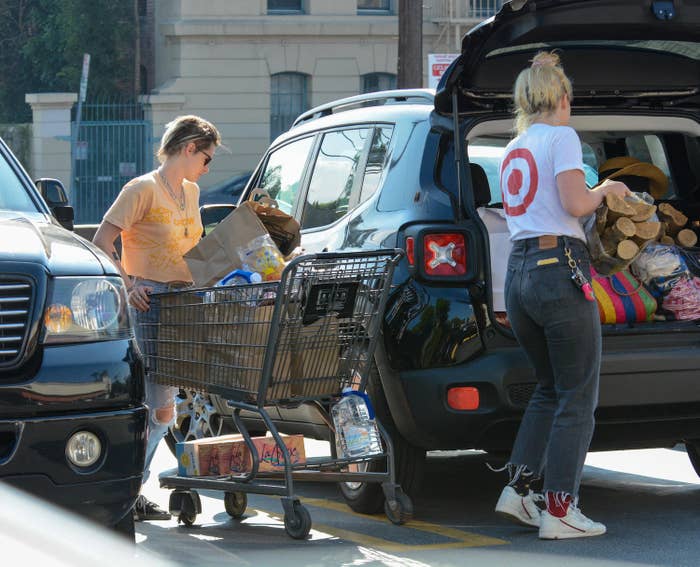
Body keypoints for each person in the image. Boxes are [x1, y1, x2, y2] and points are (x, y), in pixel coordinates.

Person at [493, 52, 632, 539]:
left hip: (519, 273)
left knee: (550, 389)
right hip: (559, 271)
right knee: (577, 397)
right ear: (562, 97)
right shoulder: (563, 137)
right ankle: (560, 509)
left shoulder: (516, 147)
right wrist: (606, 189)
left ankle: (519, 490)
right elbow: (576, 203)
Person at [94, 115, 221, 521]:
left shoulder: (192, 190)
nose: (207, 166)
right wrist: (128, 285)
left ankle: (130, 490)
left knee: (168, 408)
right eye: (207, 158)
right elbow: (102, 240)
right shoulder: (142, 189)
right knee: (160, 407)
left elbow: (195, 248)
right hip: (150, 301)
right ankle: (127, 492)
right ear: (189, 148)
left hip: (185, 301)